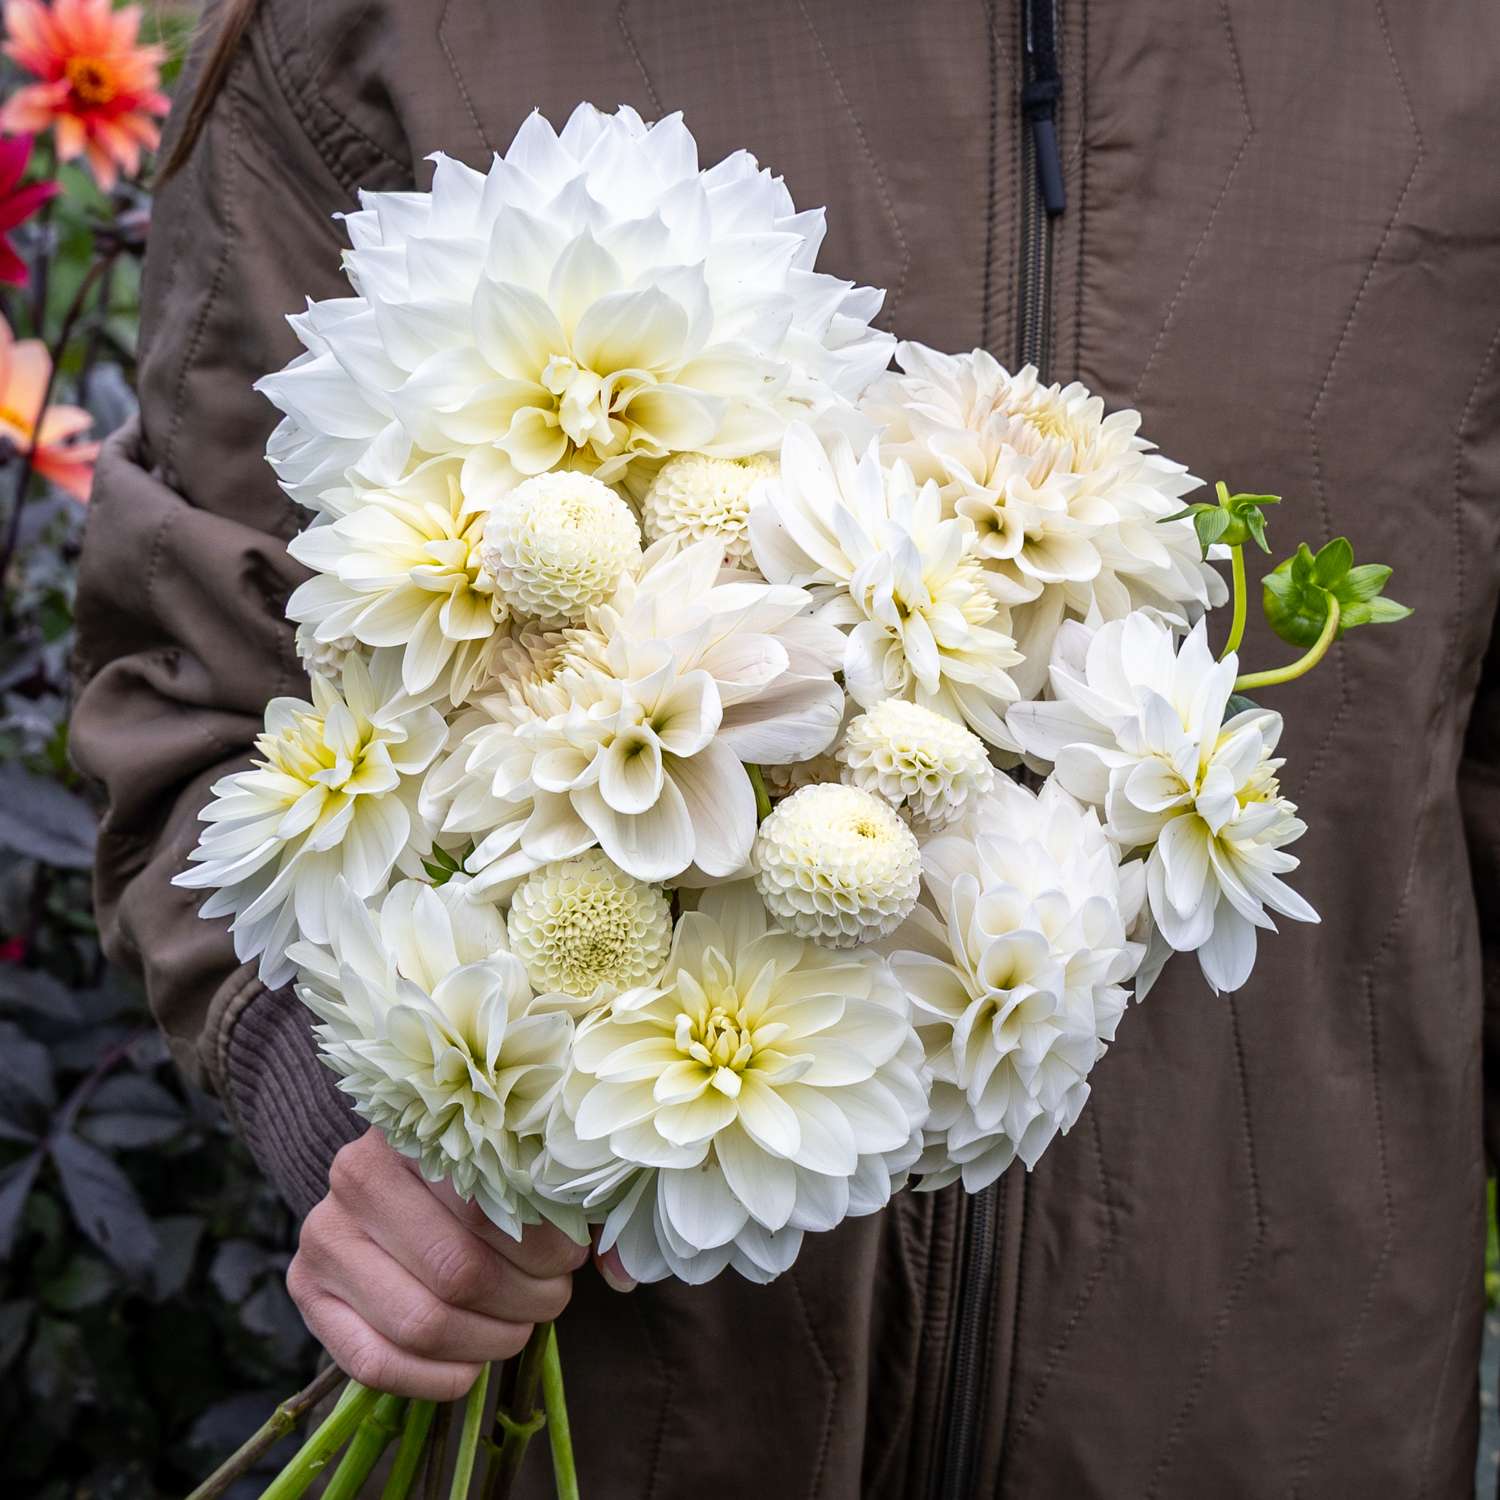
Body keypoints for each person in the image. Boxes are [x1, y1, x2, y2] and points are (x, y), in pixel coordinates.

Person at [68, 0, 1500, 1495]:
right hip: (623, 1424)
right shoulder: (405, 27)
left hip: (1277, 1414)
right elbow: (202, 682)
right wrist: (375, 1096)